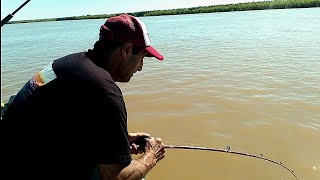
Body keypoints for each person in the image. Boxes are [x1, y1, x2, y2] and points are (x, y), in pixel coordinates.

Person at [2, 13, 165, 180]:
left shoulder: (71, 63)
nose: (140, 68)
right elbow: (115, 177)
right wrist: (151, 157)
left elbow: (63, 118)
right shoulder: (106, 93)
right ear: (126, 50)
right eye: (141, 58)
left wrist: (120, 139)